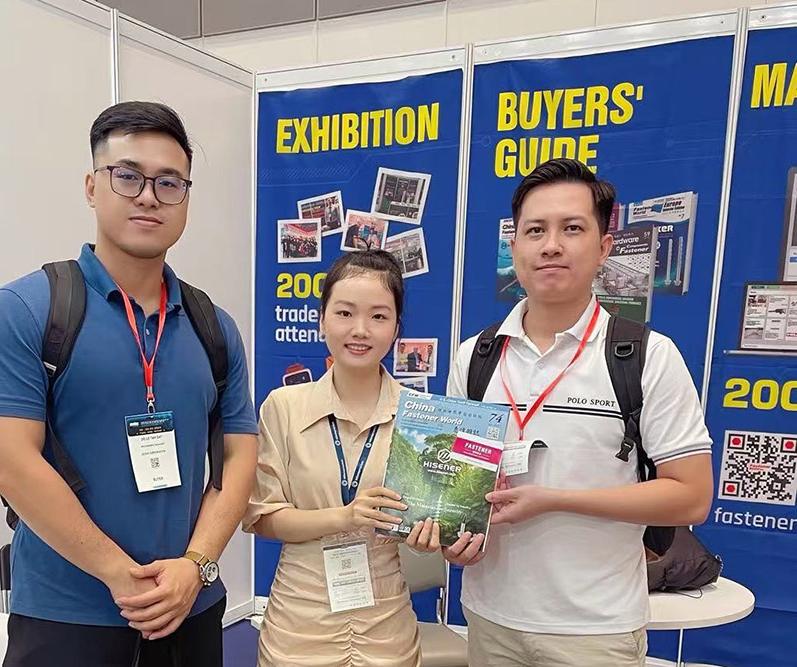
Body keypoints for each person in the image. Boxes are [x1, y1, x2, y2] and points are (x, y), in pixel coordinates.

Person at [0, 101, 258, 667]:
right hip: (68, 618)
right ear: (92, 187)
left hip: (190, 609)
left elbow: (239, 455)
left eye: (169, 182)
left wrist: (196, 566)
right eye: (128, 176)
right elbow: (8, 464)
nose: (148, 196)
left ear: (186, 198)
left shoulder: (213, 327)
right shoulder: (27, 310)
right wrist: (119, 574)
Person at [445, 158, 713, 667]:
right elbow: (459, 491)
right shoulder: (475, 357)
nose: (551, 245)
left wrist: (554, 500)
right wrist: (453, 539)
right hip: (488, 618)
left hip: (595, 631)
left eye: (572, 228)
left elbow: (691, 497)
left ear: (604, 248)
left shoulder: (646, 356)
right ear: (514, 248)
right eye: (535, 231)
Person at [245, 250, 442, 666]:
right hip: (300, 619)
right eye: (345, 313)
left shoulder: (423, 417)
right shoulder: (283, 406)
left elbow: (433, 518)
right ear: (321, 320)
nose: (360, 330)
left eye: (378, 316)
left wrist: (428, 538)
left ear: (396, 328)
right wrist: (345, 517)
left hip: (385, 623)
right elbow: (263, 518)